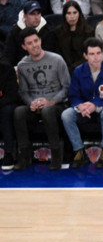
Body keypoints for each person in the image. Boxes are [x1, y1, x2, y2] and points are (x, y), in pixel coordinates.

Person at [14, 26, 71, 171]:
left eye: (36, 41)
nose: (34, 45)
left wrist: (50, 102)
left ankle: (57, 155)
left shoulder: (57, 59)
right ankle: (24, 155)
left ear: (40, 40)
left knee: (47, 111)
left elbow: (66, 88)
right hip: (35, 105)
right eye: (30, 43)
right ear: (24, 46)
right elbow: (23, 92)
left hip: (56, 104)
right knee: (19, 112)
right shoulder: (22, 65)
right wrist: (31, 103)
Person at [61, 37, 103, 169]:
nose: (96, 57)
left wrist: (95, 104)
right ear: (85, 56)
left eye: (99, 53)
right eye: (92, 54)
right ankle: (79, 151)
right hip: (84, 109)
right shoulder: (78, 71)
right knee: (66, 115)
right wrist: (80, 105)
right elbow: (73, 95)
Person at [5, 0, 59, 66]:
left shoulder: (48, 30)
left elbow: (53, 54)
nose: (36, 17)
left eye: (38, 13)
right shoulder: (15, 32)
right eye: (32, 14)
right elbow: (8, 57)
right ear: (25, 16)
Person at [56, 0, 95, 71]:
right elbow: (57, 54)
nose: (72, 16)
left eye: (75, 13)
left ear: (79, 14)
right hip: (63, 68)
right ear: (64, 15)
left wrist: (75, 67)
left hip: (84, 68)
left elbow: (89, 53)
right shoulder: (58, 32)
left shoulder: (88, 31)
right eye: (68, 13)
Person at [0, 57, 18, 171]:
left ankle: (8, 154)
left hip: (5, 104)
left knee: (5, 112)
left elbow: (12, 95)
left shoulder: (7, 69)